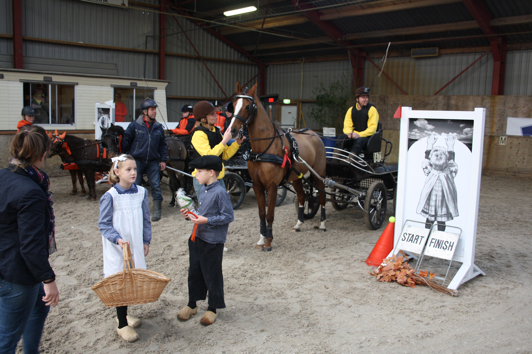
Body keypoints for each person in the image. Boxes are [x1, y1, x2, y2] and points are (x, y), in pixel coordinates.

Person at [0, 128, 59, 353]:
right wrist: (48, 279)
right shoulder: (31, 191)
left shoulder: (4, 175)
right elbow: (31, 246)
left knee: (38, 309)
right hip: (17, 274)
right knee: (7, 338)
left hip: (8, 261)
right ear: (42, 155)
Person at [98, 154, 151, 342]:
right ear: (117, 172)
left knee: (132, 279)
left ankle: (126, 314)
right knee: (120, 280)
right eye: (128, 169)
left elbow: (146, 219)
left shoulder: (142, 193)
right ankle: (121, 324)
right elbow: (103, 224)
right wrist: (117, 239)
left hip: (135, 242)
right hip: (118, 245)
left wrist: (146, 240)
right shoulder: (109, 197)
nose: (133, 172)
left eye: (135, 169)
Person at [176, 155, 234, 326]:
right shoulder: (203, 189)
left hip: (213, 241)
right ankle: (192, 304)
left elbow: (228, 216)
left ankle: (212, 308)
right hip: (197, 237)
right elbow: (202, 212)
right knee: (194, 272)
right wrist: (190, 215)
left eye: (199, 171)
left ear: (211, 173)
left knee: (212, 274)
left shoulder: (220, 193)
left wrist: (206, 220)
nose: (196, 174)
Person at [122, 99, 167, 222]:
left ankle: (157, 211)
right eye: (152, 110)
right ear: (144, 112)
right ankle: (135, 209)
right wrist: (126, 156)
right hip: (137, 161)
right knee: (135, 185)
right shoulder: (134, 125)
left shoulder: (158, 127)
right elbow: (126, 141)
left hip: (153, 161)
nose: (154, 112)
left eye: (155, 109)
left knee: (156, 186)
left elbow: (163, 145)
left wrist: (163, 159)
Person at [190, 101, 245, 197]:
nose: (216, 116)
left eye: (215, 113)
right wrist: (224, 140)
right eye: (212, 114)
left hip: (218, 178)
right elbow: (209, 156)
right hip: (204, 181)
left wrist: (236, 143)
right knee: (208, 211)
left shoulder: (216, 131)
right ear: (203, 119)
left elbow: (225, 154)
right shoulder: (198, 134)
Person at [417, 133, 459, 232]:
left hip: (443, 198)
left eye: (441, 154)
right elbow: (426, 160)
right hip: (431, 198)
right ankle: (426, 234)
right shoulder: (430, 168)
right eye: (435, 153)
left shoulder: (449, 169)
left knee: (441, 220)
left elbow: (452, 161)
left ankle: (440, 236)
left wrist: (450, 145)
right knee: (429, 219)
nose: (438, 155)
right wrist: (430, 144)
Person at [342, 86, 379, 156]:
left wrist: (359, 135)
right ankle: (334, 160)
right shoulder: (351, 110)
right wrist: (349, 133)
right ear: (357, 99)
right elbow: (347, 126)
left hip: (366, 138)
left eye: (367, 97)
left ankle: (350, 160)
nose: (366, 99)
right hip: (353, 136)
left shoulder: (372, 109)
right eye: (363, 97)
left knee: (360, 141)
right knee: (341, 138)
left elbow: (373, 129)